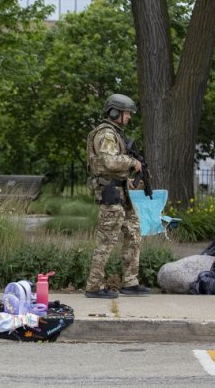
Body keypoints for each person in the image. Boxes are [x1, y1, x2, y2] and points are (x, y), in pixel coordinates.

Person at [84, 93, 151, 299]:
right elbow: (110, 162)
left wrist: (126, 180)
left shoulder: (115, 133)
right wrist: (132, 163)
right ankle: (94, 286)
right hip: (110, 195)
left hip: (121, 192)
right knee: (107, 240)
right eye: (126, 113)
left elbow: (112, 168)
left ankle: (130, 282)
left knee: (134, 233)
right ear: (115, 112)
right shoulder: (106, 134)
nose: (129, 117)